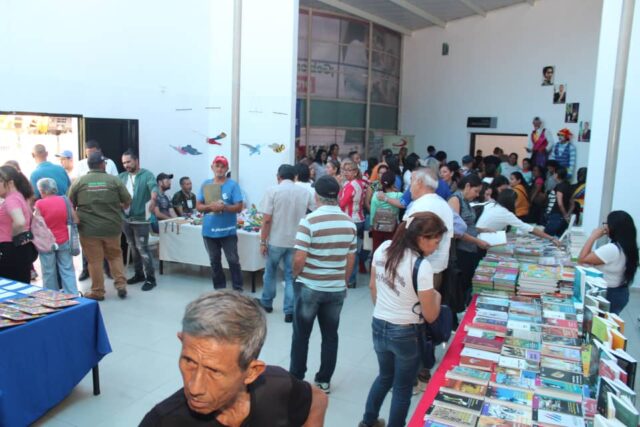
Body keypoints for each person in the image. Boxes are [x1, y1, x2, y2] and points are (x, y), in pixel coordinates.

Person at [139, 290, 328, 426]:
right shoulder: (162, 421)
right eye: (189, 361)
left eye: (214, 371)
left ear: (252, 372)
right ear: (182, 341)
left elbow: (318, 400)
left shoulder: (278, 385)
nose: (194, 388)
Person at [359, 213, 446, 427]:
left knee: (384, 376)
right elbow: (431, 315)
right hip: (407, 332)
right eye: (436, 242)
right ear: (422, 238)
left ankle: (368, 421)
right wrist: (437, 296)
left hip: (379, 323)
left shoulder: (383, 248)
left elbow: (373, 286)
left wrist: (386, 310)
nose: (436, 248)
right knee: (402, 387)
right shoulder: (421, 266)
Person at [290, 175, 357, 394]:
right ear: (337, 195)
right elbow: (350, 257)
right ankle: (324, 380)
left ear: (316, 196)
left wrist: (295, 275)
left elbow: (299, 257)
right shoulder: (349, 222)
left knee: (301, 335)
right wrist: (343, 281)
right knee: (330, 336)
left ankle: (297, 379)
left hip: (310, 286)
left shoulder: (309, 221)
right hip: (335, 288)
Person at [69, 152, 132, 300]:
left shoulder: (79, 182)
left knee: (94, 261)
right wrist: (118, 206)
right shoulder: (114, 181)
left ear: (89, 165)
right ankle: (121, 285)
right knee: (115, 256)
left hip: (89, 229)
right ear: (103, 164)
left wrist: (77, 215)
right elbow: (127, 200)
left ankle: (97, 292)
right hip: (112, 227)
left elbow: (69, 203)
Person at [257, 164, 312, 323]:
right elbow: (313, 211)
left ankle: (267, 303)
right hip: (296, 241)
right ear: (295, 177)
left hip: (276, 239)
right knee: (290, 275)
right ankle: (289, 311)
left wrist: (263, 241)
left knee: (270, 272)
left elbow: (267, 220)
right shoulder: (304, 192)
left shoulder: (272, 191)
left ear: (278, 177)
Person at [196, 156, 244, 291]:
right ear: (212, 167)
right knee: (214, 261)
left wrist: (224, 207)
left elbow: (239, 207)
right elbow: (198, 206)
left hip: (228, 231)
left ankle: (237, 289)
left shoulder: (233, 185)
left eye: (223, 166)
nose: (220, 169)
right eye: (217, 166)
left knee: (233, 260)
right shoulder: (206, 184)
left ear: (227, 169)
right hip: (209, 231)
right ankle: (219, 290)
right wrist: (210, 207)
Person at [578, 211, 638, 315]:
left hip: (609, 293)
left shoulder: (612, 249)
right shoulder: (628, 246)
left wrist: (593, 236)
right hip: (620, 291)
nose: (604, 226)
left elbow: (582, 259)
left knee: (599, 322)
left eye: (606, 223)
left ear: (613, 227)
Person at [76, 140, 119, 281]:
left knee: (107, 245)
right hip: (87, 212)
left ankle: (108, 270)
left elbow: (116, 184)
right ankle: (85, 270)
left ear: (99, 151)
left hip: (105, 210)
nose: (90, 156)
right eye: (88, 153)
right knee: (88, 245)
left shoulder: (109, 163)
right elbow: (75, 187)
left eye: (93, 152)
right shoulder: (80, 164)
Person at [448, 174, 490, 305]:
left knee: (467, 282)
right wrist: (477, 241)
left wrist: (482, 230)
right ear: (467, 186)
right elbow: (455, 230)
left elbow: (467, 225)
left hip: (469, 248)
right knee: (461, 284)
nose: (477, 195)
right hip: (460, 250)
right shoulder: (455, 200)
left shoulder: (465, 201)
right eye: (476, 191)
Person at [119, 150, 158, 291]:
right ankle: (139, 274)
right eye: (124, 163)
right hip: (125, 219)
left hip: (141, 219)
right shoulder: (121, 177)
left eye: (128, 162)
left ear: (136, 160)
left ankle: (151, 278)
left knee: (143, 248)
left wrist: (153, 199)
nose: (126, 165)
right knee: (133, 247)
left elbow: (153, 188)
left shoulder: (147, 174)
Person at [34, 178, 78, 294]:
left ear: (42, 190)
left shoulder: (39, 204)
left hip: (47, 243)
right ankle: (72, 295)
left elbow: (36, 225)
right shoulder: (65, 200)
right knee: (67, 269)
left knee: (49, 272)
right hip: (64, 240)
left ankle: (51, 297)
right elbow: (76, 219)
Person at [476, 189, 559, 244]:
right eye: (516, 201)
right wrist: (551, 238)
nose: (517, 203)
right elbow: (528, 228)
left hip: (477, 236)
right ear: (511, 202)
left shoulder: (491, 204)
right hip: (483, 241)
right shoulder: (506, 213)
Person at [0, 166, 36, 283]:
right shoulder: (19, 196)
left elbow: (20, 221)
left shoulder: (11, 199)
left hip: (11, 249)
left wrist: (13, 235)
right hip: (21, 247)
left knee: (10, 285)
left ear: (10, 183)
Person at [340, 160, 368, 283]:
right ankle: (352, 278)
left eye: (349, 170)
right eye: (344, 170)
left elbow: (341, 203)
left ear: (355, 172)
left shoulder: (350, 185)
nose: (346, 173)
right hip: (360, 219)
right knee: (355, 250)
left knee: (349, 251)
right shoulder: (361, 183)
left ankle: (350, 279)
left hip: (350, 220)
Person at [369, 170, 402, 254]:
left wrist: (371, 226)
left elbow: (373, 213)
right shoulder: (398, 195)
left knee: (376, 250)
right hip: (392, 226)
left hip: (377, 227)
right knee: (390, 250)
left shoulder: (376, 195)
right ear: (393, 182)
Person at [543, 166, 572, 237]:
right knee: (559, 237)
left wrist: (565, 215)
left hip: (556, 215)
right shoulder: (568, 186)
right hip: (561, 216)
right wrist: (567, 214)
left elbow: (560, 203)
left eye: (554, 173)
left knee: (547, 237)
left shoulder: (560, 187)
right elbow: (572, 203)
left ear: (557, 175)